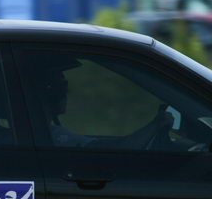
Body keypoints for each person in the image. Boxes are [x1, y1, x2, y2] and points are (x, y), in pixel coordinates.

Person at [36, 57, 175, 149]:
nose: (66, 93)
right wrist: (156, 124)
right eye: (61, 87)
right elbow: (119, 151)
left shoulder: (45, 135)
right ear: (48, 92)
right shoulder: (55, 138)